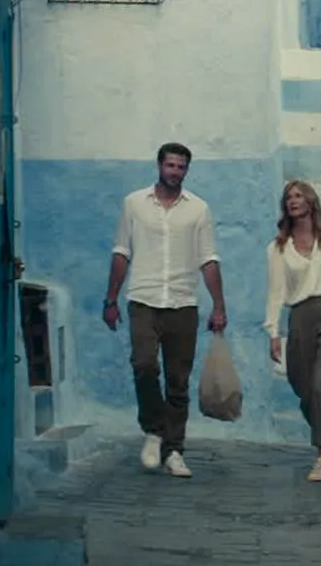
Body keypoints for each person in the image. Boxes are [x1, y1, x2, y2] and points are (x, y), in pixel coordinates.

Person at [102, 142, 228, 479]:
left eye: (181, 167)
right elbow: (120, 252)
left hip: (183, 302)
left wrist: (218, 305)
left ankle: (174, 451)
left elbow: (209, 259)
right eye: (170, 165)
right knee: (143, 365)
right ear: (159, 165)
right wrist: (111, 299)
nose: (175, 171)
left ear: (187, 170)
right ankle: (154, 430)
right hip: (143, 298)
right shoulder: (134, 204)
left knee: (178, 380)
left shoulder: (198, 209)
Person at [263, 180, 321, 483]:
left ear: (310, 201)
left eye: (299, 195)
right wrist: (273, 332)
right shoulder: (278, 246)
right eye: (288, 197)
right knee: (303, 385)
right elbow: (276, 292)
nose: (293, 201)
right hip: (301, 317)